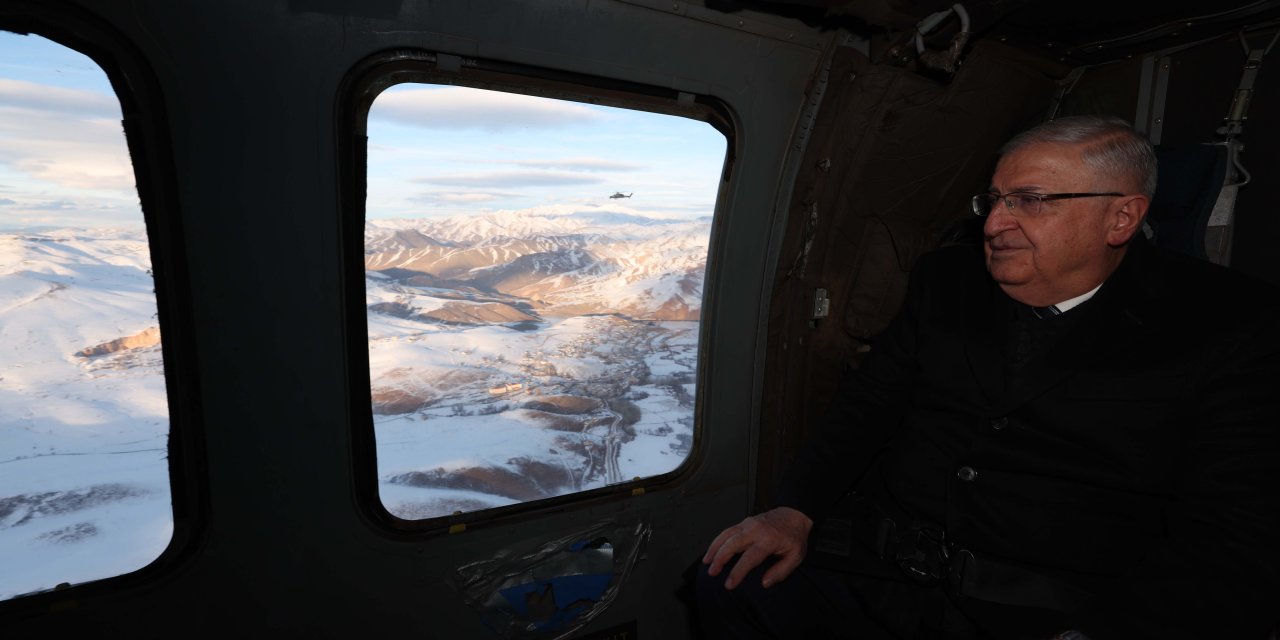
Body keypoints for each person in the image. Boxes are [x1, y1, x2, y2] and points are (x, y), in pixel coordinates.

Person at [695, 115, 1280, 639]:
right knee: (724, 581)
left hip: (1058, 609)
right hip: (884, 574)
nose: (995, 223)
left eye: (1030, 200)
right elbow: (866, 406)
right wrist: (793, 511)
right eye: (994, 199)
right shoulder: (946, 282)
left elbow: (1235, 529)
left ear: (1121, 216)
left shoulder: (1228, 324)